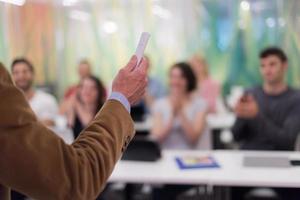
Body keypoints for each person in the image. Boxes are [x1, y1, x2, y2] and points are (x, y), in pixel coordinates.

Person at [0, 55, 148, 200]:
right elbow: (75, 178)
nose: (86, 91)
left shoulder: (92, 107)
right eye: (83, 87)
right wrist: (121, 99)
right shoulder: (73, 105)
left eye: (91, 88)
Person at [231, 47, 300, 200]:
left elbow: (286, 141)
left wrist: (256, 116)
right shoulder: (250, 93)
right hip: (248, 159)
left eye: (272, 64)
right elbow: (236, 136)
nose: (267, 70)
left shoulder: (296, 99)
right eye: (263, 65)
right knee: (228, 189)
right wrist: (241, 115)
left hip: (281, 162)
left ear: (285, 65)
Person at [151, 62, 210, 150]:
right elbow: (157, 138)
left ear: (189, 80)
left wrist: (180, 112)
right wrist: (172, 115)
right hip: (165, 157)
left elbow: (194, 138)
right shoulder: (159, 104)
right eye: (173, 77)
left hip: (191, 157)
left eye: (181, 77)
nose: (176, 81)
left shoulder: (200, 104)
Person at [11, 58, 59, 127]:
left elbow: (53, 124)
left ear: (32, 74)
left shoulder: (48, 100)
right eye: (16, 72)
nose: (21, 76)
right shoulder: (8, 104)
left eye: (25, 71)